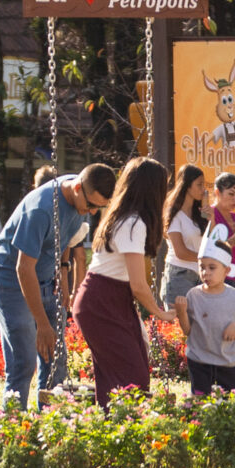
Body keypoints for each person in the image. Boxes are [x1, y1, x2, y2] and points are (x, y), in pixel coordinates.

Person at [0, 163, 115, 404]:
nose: (93, 212)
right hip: (9, 281)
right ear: (76, 188)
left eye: (99, 207)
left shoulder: (79, 194)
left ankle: (49, 420)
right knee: (23, 361)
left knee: (56, 358)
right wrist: (42, 324)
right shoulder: (41, 210)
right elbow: (23, 268)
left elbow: (63, 239)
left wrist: (63, 276)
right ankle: (12, 427)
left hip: (45, 278)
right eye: (92, 205)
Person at [72, 156, 168, 404]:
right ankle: (120, 432)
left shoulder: (122, 217)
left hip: (106, 299)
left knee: (118, 379)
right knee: (132, 380)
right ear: (152, 190)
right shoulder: (133, 223)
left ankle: (114, 432)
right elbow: (138, 285)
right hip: (102, 300)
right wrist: (160, 313)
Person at [182, 228, 235, 396]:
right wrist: (180, 311)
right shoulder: (193, 295)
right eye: (202, 267)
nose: (206, 272)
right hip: (199, 362)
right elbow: (188, 331)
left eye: (212, 267)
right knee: (200, 406)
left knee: (231, 407)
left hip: (227, 363)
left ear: (226, 270)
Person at [162, 165, 210, 312]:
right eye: (199, 184)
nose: (203, 189)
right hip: (179, 275)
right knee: (178, 329)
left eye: (204, 185)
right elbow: (181, 252)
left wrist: (210, 217)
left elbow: (211, 242)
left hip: (200, 276)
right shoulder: (174, 213)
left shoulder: (198, 214)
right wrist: (205, 260)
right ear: (187, 186)